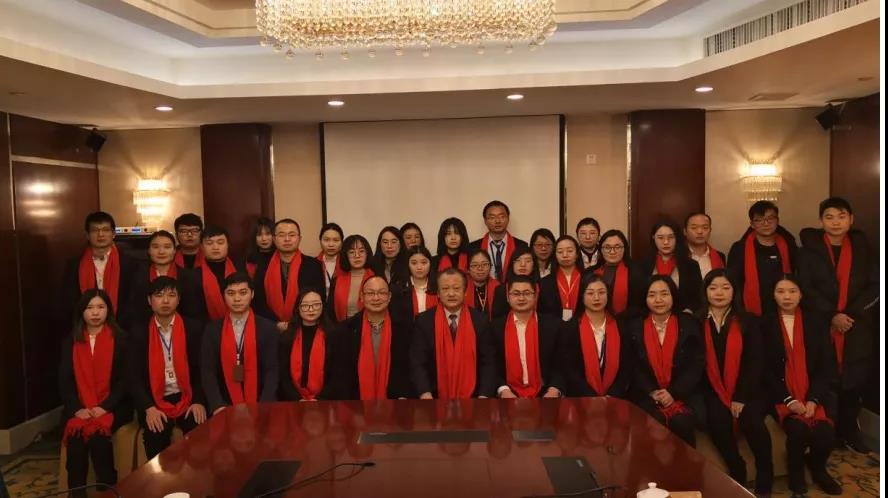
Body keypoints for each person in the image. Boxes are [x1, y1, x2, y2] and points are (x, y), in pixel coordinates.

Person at [797, 197, 877, 454]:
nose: (836, 222)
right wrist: (832, 315)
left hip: (856, 324)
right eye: (829, 217)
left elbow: (875, 285)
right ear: (821, 221)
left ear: (851, 219)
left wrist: (848, 315)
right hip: (822, 324)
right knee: (825, 377)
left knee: (855, 380)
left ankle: (850, 432)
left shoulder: (864, 249)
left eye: (841, 217)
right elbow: (805, 288)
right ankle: (827, 433)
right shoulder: (808, 251)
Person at [696, 269, 772, 495]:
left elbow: (755, 361)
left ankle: (765, 471)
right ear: (705, 291)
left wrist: (740, 396)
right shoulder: (697, 321)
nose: (719, 293)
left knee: (753, 421)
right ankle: (737, 467)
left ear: (734, 291)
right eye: (713, 288)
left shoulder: (748, 321)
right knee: (716, 420)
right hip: (713, 387)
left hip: (748, 388)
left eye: (725, 287)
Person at [763, 277, 841, 496]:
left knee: (825, 433)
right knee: (797, 430)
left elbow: (825, 366)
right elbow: (764, 370)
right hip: (781, 394)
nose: (787, 297)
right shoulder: (764, 324)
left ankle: (818, 470)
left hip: (813, 393)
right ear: (773, 295)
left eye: (792, 291)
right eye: (780, 291)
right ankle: (796, 476)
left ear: (801, 294)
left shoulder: (815, 322)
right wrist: (789, 400)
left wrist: (813, 400)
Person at [59, 290, 131, 496]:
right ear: (82, 312)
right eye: (90, 308)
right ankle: (77, 493)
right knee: (76, 438)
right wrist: (77, 409)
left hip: (113, 406)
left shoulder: (121, 339)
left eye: (100, 307)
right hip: (80, 407)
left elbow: (125, 382)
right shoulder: (71, 341)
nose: (95, 313)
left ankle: (106, 490)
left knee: (99, 438)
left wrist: (104, 407)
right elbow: (65, 381)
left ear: (109, 310)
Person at [128, 277, 206, 460]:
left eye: (171, 295)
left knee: (199, 434)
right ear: (149, 300)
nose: (165, 301)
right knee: (155, 435)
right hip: (155, 400)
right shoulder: (138, 332)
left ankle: (194, 478)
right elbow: (132, 377)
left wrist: (198, 401)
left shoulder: (193, 328)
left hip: (187, 397)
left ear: (178, 300)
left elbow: (203, 370)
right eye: (159, 295)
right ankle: (160, 479)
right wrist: (148, 408)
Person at [629, 276, 703, 446]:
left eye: (664, 294)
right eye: (652, 295)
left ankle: (686, 464)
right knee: (652, 422)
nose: (658, 300)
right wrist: (651, 391)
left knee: (682, 423)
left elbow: (696, 364)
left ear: (673, 296)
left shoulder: (689, 323)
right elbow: (633, 366)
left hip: (683, 394)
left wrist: (673, 392)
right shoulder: (634, 327)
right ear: (645, 298)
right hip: (648, 394)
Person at [409, 268, 497, 399]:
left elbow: (488, 363)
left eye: (456, 288)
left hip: (474, 398)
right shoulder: (424, 321)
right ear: (438, 293)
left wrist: (483, 395)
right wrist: (425, 394)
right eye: (445, 289)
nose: (451, 294)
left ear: (465, 292)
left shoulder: (480, 320)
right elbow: (418, 363)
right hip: (433, 398)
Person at [201, 273, 279, 415]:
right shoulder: (212, 330)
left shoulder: (268, 328)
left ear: (252, 294)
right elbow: (208, 371)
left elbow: (272, 370)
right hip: (224, 404)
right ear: (224, 295)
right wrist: (217, 404)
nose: (237, 299)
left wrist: (264, 405)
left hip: (261, 402)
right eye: (231, 293)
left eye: (243, 293)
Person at [339, 276, 414, 399]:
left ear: (389, 296)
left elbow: (410, 369)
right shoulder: (345, 330)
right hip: (355, 404)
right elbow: (340, 373)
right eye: (370, 293)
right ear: (361, 297)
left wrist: (404, 396)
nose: (376, 298)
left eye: (381, 293)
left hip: (396, 402)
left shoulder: (405, 329)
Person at [491, 275, 564, 398]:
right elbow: (492, 365)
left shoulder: (554, 326)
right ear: (508, 297)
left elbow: (561, 364)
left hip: (546, 393)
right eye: (516, 293)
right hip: (507, 394)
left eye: (527, 293)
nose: (521, 298)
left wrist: (554, 389)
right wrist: (503, 390)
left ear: (535, 296)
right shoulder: (495, 328)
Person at [560, 275, 631, 398]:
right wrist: (592, 397)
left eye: (601, 292)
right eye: (590, 293)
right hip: (581, 399)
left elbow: (626, 368)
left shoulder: (621, 327)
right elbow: (570, 370)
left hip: (614, 398)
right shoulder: (570, 328)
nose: (596, 298)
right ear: (582, 297)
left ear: (608, 295)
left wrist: (612, 395)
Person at [252, 219, 325, 332]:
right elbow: (257, 300)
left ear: (299, 238)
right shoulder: (263, 266)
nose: (287, 239)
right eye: (282, 235)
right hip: (271, 327)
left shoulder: (313, 265)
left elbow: (319, 299)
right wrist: (276, 323)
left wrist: (295, 323)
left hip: (304, 326)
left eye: (292, 235)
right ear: (274, 239)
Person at [727, 201, 798, 317]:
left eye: (770, 218)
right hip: (750, 311)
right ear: (752, 224)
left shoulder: (789, 245)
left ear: (777, 220)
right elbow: (733, 283)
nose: (766, 223)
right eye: (759, 220)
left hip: (784, 306)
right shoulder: (739, 248)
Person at [62, 211, 136, 321]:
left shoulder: (131, 264)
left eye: (105, 230)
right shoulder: (74, 265)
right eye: (95, 230)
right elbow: (69, 302)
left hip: (121, 326)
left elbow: (133, 303)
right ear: (87, 235)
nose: (100, 234)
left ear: (113, 234)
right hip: (84, 325)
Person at [124, 230, 197, 328]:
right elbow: (133, 310)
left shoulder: (188, 277)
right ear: (149, 250)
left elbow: (193, 311)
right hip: (144, 329)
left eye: (167, 247)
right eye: (155, 247)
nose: (161, 252)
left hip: (182, 329)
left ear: (174, 250)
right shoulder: (137, 276)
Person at [279, 289, 338, 401]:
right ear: (298, 308)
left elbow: (337, 375)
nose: (311, 309)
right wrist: (297, 399)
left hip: (325, 401)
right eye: (305, 306)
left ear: (323, 306)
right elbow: (283, 375)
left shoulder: (333, 335)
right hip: (293, 401)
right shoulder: (287, 336)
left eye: (316, 305)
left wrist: (320, 399)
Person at [642, 221, 702, 312]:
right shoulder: (643, 265)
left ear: (677, 238)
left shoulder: (691, 265)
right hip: (651, 316)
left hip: (682, 315)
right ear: (653, 238)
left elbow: (698, 296)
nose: (666, 242)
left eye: (671, 237)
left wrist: (689, 311)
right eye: (660, 238)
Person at [592, 230, 646, 320]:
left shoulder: (636, 272)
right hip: (596, 321)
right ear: (601, 249)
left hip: (627, 322)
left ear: (625, 249)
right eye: (607, 247)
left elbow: (639, 306)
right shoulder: (592, 272)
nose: (612, 252)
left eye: (617, 247)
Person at [469, 200, 528, 282]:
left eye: (502, 216)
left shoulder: (521, 246)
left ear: (508, 219)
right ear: (485, 221)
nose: (497, 221)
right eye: (492, 217)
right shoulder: (473, 247)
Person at [193, 226, 240, 323]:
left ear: (228, 245)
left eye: (220, 242)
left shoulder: (240, 269)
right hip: (205, 327)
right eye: (209, 243)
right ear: (201, 247)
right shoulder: (192, 276)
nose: (215, 247)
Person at [328, 235, 376, 322]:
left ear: (367, 253)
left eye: (361, 251)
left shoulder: (376, 279)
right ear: (345, 255)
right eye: (351, 252)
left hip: (369, 327)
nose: (357, 255)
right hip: (343, 327)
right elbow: (331, 313)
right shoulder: (337, 280)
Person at [538, 235, 583, 321]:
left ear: (577, 254)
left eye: (570, 251)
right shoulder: (545, 282)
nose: (565, 255)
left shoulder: (587, 279)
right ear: (555, 255)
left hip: (583, 325)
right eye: (560, 252)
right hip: (554, 326)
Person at [491, 247, 538, 319]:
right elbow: (497, 318)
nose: (523, 264)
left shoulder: (543, 288)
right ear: (512, 264)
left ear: (534, 265)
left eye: (528, 261)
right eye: (518, 260)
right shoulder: (501, 290)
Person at [392, 246, 438, 320]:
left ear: (430, 263)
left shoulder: (439, 287)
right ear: (408, 265)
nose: (419, 267)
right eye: (414, 263)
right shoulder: (398, 289)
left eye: (424, 262)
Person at [684, 212, 726, 280]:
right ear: (685, 231)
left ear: (710, 231)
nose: (700, 231)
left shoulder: (720, 256)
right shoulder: (678, 255)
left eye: (705, 228)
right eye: (694, 228)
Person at [464, 250, 500, 319]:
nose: (480, 268)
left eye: (485, 264)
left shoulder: (498, 288)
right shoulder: (462, 288)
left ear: (490, 267)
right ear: (468, 269)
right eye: (475, 265)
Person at [317, 223, 345, 291]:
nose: (331, 244)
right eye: (326, 240)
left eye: (336, 240)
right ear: (320, 241)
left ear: (342, 242)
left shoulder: (347, 264)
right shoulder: (313, 264)